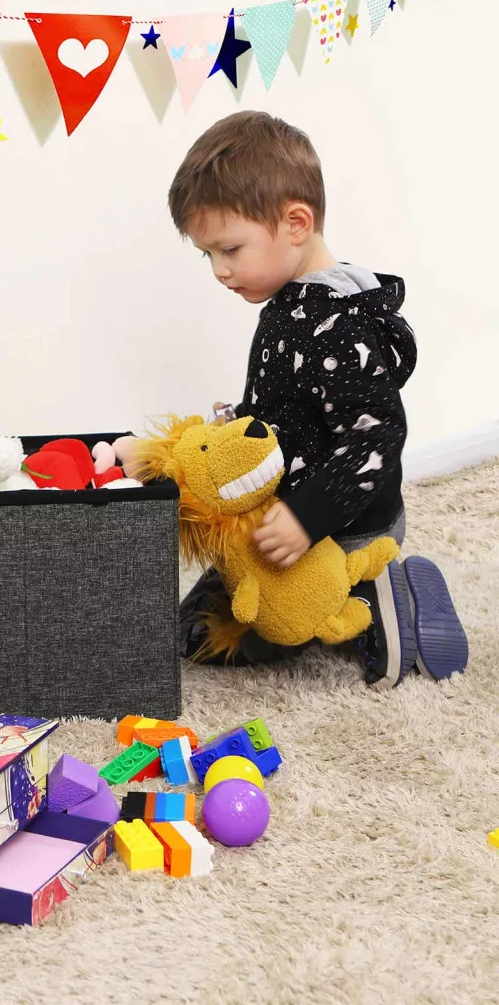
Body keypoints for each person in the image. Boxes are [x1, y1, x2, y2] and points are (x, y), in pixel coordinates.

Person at [168, 111, 468, 687]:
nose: (219, 271)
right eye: (208, 255)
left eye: (230, 249)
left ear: (296, 223)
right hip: (295, 514)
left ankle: (374, 595)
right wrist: (242, 425)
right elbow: (295, 407)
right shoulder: (293, 305)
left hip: (344, 527)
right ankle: (355, 591)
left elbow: (377, 436)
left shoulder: (335, 325)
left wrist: (308, 518)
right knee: (194, 631)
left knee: (263, 631)